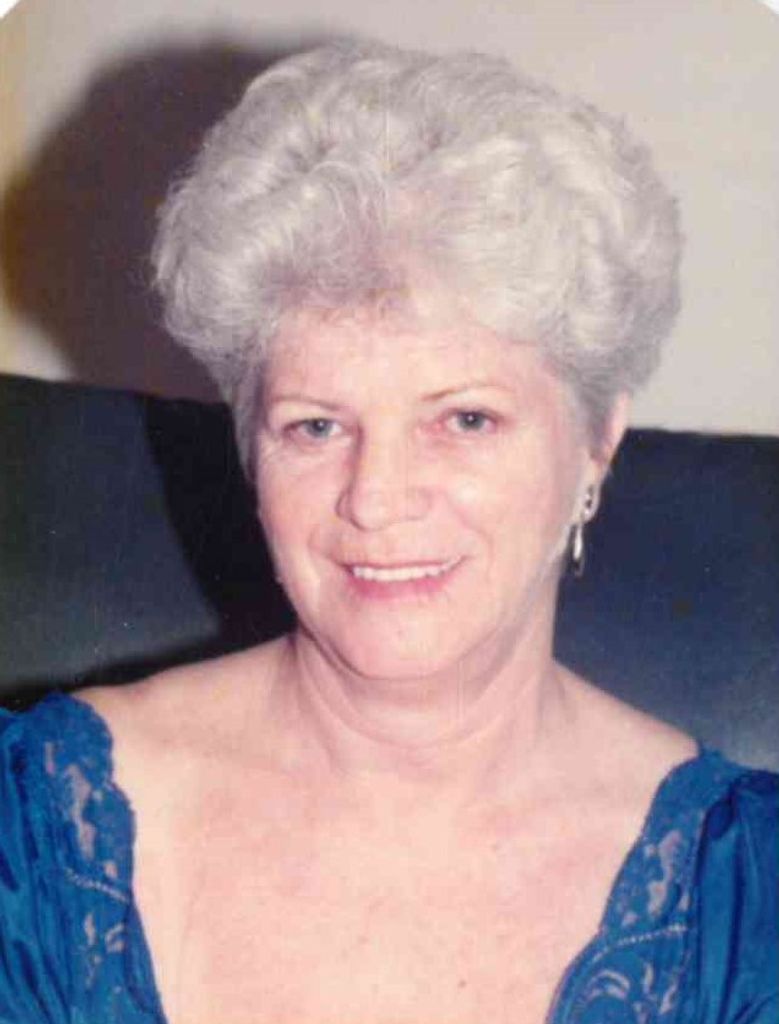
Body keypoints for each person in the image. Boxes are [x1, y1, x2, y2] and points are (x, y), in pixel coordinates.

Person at [0, 37, 776, 1024]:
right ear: (249, 450)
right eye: (316, 427)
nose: (375, 498)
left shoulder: (749, 900)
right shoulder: (29, 837)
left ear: (595, 442)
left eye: (464, 419)